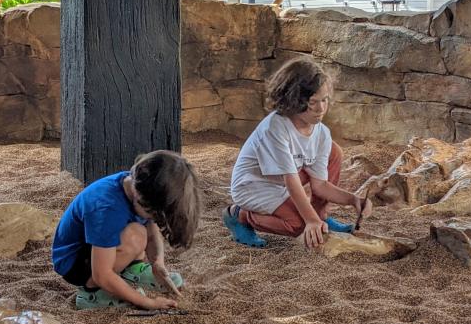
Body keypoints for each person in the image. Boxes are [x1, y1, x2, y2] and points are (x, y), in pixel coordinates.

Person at [223, 56, 371, 249]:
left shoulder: (321, 132)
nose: (321, 109)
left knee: (334, 152)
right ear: (293, 99)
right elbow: (291, 181)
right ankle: (240, 215)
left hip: (282, 181)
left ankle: (320, 216)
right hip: (254, 185)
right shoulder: (275, 127)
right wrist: (309, 221)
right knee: (299, 226)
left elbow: (319, 185)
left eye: (324, 100)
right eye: (312, 102)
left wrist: (354, 199)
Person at [52, 150, 202, 310]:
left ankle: (130, 271)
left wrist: (157, 262)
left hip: (99, 248)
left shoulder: (138, 182)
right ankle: (92, 292)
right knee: (135, 235)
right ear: (139, 196)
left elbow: (150, 227)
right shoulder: (107, 209)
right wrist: (147, 303)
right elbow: (101, 274)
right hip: (75, 264)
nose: (155, 219)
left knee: (140, 230)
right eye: (153, 213)